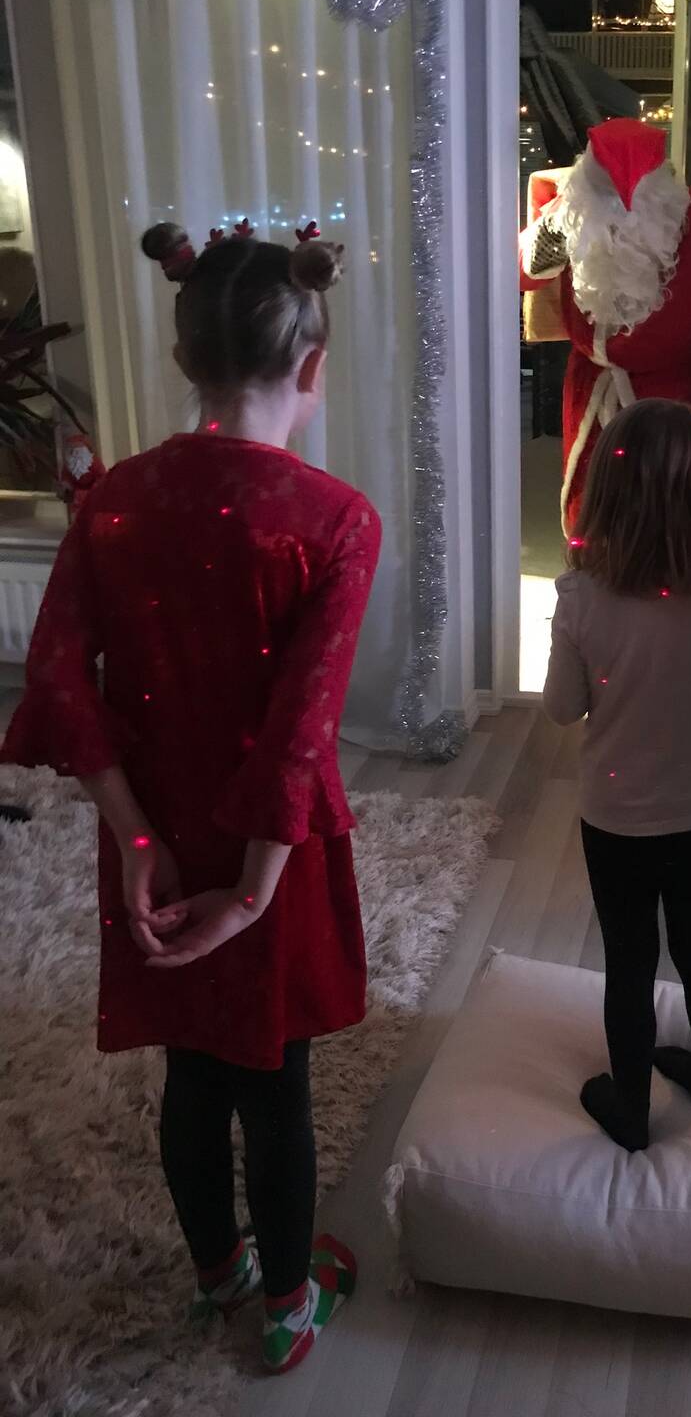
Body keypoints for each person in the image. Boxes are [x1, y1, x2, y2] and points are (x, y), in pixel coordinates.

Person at [2, 219, 381, 1373]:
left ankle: (218, 1271)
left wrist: (135, 839)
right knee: (274, 1080)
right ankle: (286, 1307)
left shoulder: (112, 503)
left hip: (157, 834)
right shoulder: (335, 520)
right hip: (271, 853)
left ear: (182, 356)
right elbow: (300, 731)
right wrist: (255, 894)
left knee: (191, 1067)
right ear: (313, 365)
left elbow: (56, 679)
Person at [542, 398, 691, 1151]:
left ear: (609, 492)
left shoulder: (581, 600)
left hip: (617, 817)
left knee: (630, 960)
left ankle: (632, 1108)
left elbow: (561, 709)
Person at [519, 118, 691, 532]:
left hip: (673, 400)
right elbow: (524, 275)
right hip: (591, 387)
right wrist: (555, 226)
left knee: (664, 515)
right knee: (591, 509)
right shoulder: (572, 213)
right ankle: (590, 567)